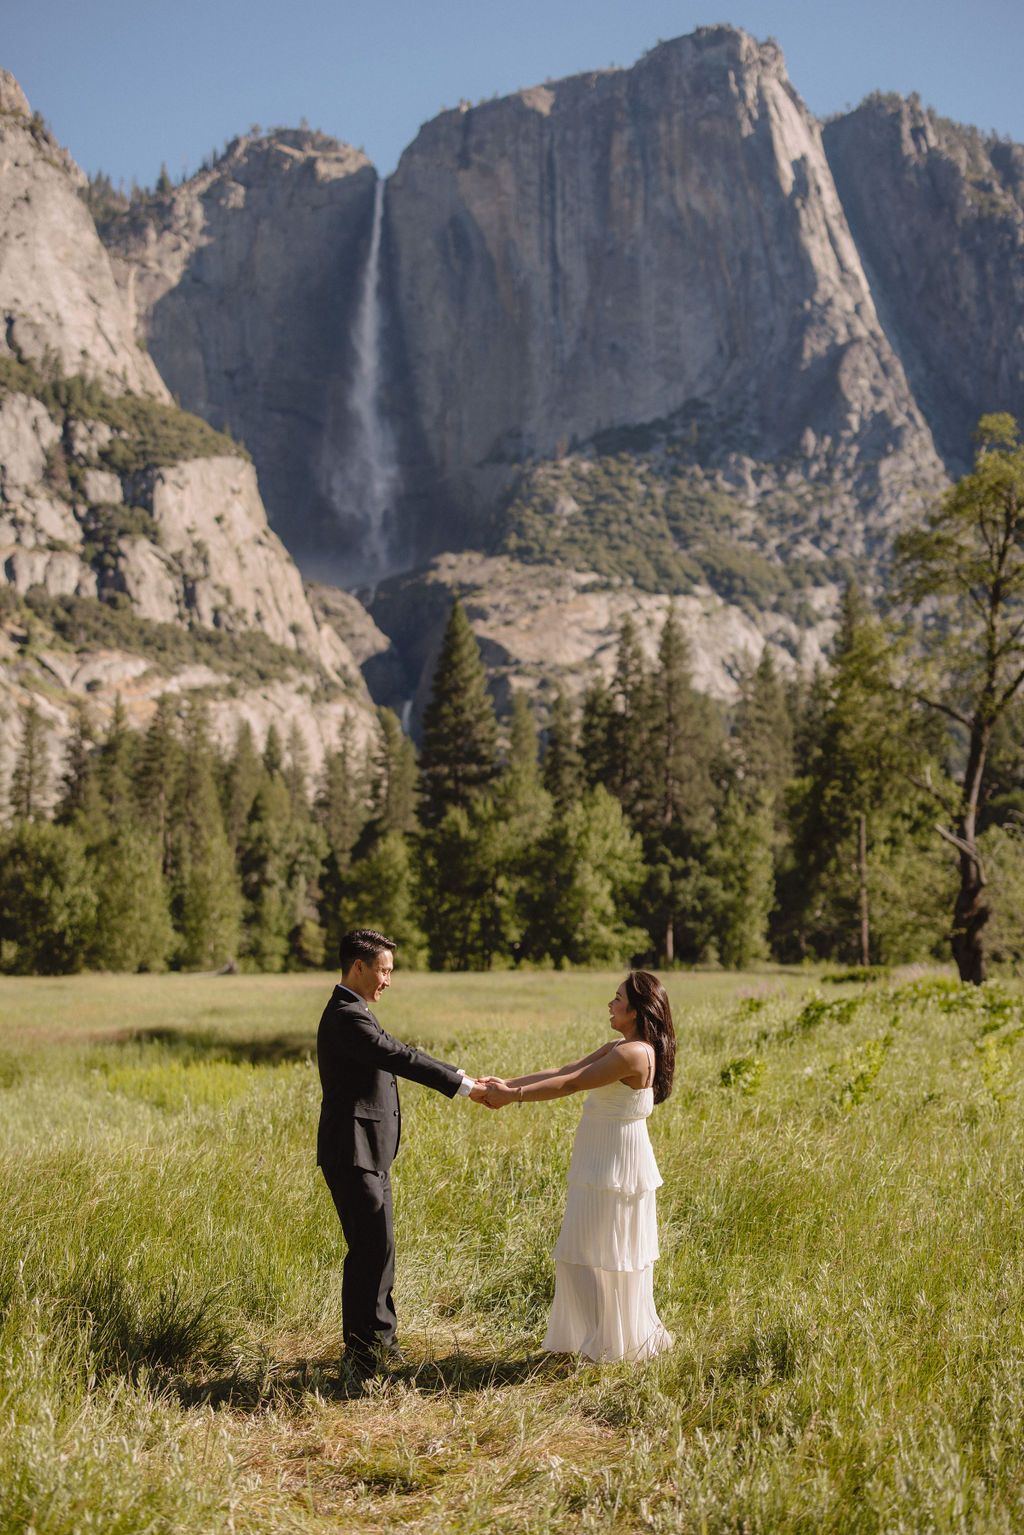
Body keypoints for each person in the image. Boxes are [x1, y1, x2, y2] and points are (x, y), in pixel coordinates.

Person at [316, 927, 489, 1377]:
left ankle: (374, 1350)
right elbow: (398, 1056)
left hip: (369, 1153)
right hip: (352, 1152)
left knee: (378, 1248)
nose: (388, 980)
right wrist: (463, 1084)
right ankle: (368, 1356)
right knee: (372, 1248)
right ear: (359, 966)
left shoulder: (355, 1009)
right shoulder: (346, 1015)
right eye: (384, 970)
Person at [482, 971, 674, 1362]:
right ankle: (603, 1340)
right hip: (604, 1160)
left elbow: (572, 1085)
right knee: (593, 1252)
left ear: (636, 1010)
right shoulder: (621, 1046)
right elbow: (562, 1071)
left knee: (597, 1253)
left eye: (617, 998)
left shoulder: (632, 1054)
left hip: (614, 1167)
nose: (610, 1003)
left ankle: (606, 1346)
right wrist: (504, 1085)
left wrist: (511, 1097)